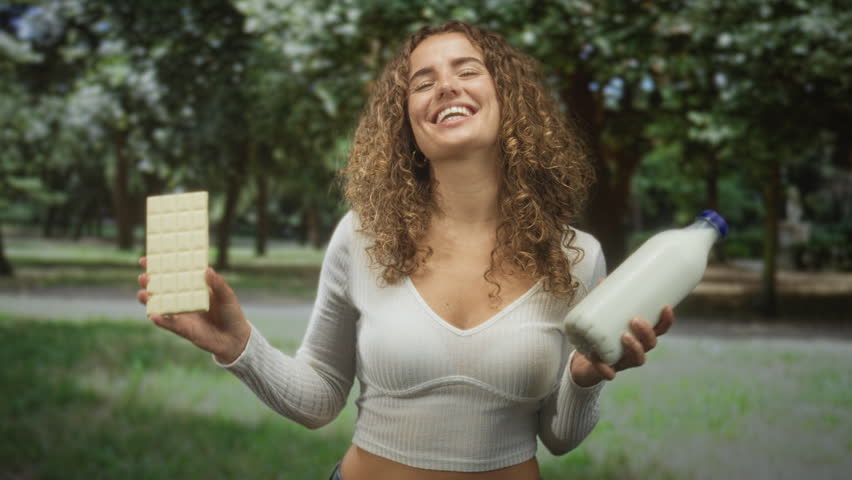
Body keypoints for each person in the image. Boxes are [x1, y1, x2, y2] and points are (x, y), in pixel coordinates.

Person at [136, 21, 675, 480]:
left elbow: (558, 436)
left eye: (467, 71)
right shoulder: (363, 236)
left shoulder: (577, 257)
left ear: (508, 101)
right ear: (407, 124)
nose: (445, 87)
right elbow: (320, 398)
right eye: (423, 82)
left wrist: (583, 376)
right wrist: (238, 344)